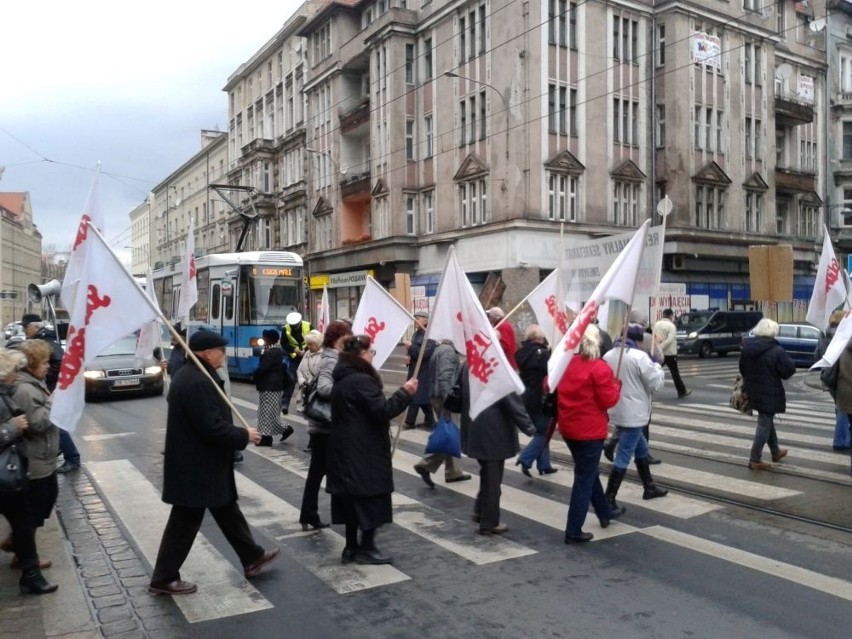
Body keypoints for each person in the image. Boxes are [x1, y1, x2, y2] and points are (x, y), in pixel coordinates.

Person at [148, 330, 281, 595]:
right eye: (222, 350)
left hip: (202, 464)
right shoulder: (195, 381)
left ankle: (252, 556)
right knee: (184, 522)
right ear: (207, 353)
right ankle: (163, 577)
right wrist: (244, 435)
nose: (225, 355)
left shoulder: (194, 375)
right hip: (196, 466)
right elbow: (211, 427)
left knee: (226, 508)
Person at [326, 334, 417, 565]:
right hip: (363, 451)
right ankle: (366, 547)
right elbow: (382, 411)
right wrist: (404, 392)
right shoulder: (361, 380)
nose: (372, 356)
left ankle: (351, 547)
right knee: (370, 499)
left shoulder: (344, 377)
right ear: (361, 355)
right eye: (370, 352)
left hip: (346, 449)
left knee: (352, 502)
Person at [556, 324, 623, 544]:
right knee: (584, 478)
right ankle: (573, 529)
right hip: (589, 431)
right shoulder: (600, 367)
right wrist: (616, 385)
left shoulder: (567, 363)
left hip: (569, 428)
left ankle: (604, 512)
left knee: (588, 471)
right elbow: (608, 400)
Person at [0, 348, 57, 595]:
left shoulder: (7, 392)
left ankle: (30, 573)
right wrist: (11, 429)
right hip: (7, 471)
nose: (16, 375)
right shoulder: (15, 391)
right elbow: (28, 424)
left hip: (13, 468)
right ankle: (29, 572)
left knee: (24, 521)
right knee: (24, 520)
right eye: (13, 371)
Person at [459, 363, 536, 536]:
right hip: (494, 430)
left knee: (487, 473)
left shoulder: (468, 364)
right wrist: (529, 427)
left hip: (475, 425)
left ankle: (480, 511)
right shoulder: (496, 366)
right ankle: (489, 522)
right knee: (493, 479)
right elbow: (511, 401)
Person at [603, 324, 668, 510]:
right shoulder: (639, 357)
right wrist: (656, 365)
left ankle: (649, 487)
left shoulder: (608, 355)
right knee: (623, 455)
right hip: (635, 412)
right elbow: (655, 384)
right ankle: (609, 498)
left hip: (618, 409)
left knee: (641, 448)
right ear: (638, 340)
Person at [12, 340, 61, 571]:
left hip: (43, 457)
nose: (48, 366)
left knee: (44, 502)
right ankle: (22, 554)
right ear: (30, 365)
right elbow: (37, 424)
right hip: (34, 459)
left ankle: (18, 547)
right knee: (33, 510)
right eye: (44, 362)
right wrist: (54, 402)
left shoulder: (34, 383)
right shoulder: (25, 389)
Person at [299, 321, 351, 531]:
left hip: (322, 427)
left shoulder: (331, 355)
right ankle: (348, 517)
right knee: (338, 473)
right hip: (327, 427)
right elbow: (324, 388)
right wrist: (346, 388)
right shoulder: (331, 358)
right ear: (338, 338)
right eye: (347, 337)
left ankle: (308, 513)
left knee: (317, 472)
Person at [19, 313, 81, 474]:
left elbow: (61, 364)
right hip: (48, 387)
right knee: (53, 422)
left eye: (26, 329)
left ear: (34, 327)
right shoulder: (42, 339)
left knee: (55, 422)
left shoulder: (46, 341)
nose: (25, 332)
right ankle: (66, 453)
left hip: (50, 388)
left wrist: (46, 379)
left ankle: (72, 457)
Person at [412, 339, 471, 487]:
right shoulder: (448, 351)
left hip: (437, 395)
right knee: (450, 433)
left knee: (450, 433)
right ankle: (425, 465)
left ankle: (454, 472)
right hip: (445, 397)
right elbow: (444, 377)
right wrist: (449, 400)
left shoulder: (441, 349)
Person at [739, 318, 796, 470]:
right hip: (770, 391)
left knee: (766, 419)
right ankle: (755, 458)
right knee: (764, 423)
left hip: (752, 390)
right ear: (773, 332)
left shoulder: (747, 348)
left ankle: (775, 451)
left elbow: (742, 369)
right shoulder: (777, 350)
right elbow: (788, 371)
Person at [514, 324, 557, 476]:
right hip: (541, 397)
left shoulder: (520, 353)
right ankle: (526, 458)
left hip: (526, 397)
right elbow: (549, 374)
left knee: (541, 430)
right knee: (543, 433)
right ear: (540, 338)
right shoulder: (543, 354)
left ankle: (544, 464)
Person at [817, 310, 850, 451]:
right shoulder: (843, 336)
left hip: (832, 377)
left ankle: (840, 439)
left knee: (841, 409)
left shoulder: (826, 334)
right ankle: (842, 440)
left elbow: (817, 354)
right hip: (843, 378)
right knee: (844, 411)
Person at [253, 329, 294, 446]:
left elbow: (264, 367)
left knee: (266, 412)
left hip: (270, 386)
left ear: (270, 339)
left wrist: (254, 374)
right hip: (271, 385)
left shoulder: (272, 352)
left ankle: (266, 438)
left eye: (265, 338)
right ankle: (285, 429)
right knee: (270, 411)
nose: (264, 340)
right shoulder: (273, 350)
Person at [402, 311, 435, 430]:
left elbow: (424, 354)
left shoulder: (430, 335)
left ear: (426, 320)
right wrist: (408, 357)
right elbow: (413, 352)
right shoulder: (416, 333)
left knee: (415, 395)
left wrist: (410, 347)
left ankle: (409, 422)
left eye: (418, 318)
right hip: (414, 369)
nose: (415, 320)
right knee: (422, 397)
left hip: (424, 371)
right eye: (415, 318)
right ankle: (430, 420)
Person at [653, 308, 691, 399]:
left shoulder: (656, 324)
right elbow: (670, 339)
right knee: (675, 374)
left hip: (659, 353)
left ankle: (647, 391)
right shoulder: (671, 326)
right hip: (670, 354)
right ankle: (682, 392)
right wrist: (662, 347)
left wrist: (658, 348)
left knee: (653, 371)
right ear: (670, 315)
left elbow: (654, 337)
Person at [281, 311, 311, 414]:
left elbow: (315, 339)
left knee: (308, 381)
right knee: (291, 380)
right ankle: (284, 404)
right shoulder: (286, 329)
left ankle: (308, 405)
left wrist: (306, 350)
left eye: (295, 325)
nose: (293, 327)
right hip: (294, 358)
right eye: (292, 325)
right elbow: (283, 344)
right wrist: (294, 350)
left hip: (308, 357)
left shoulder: (308, 326)